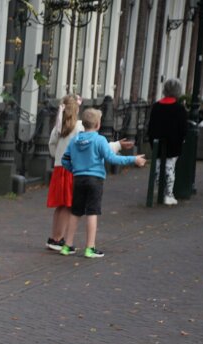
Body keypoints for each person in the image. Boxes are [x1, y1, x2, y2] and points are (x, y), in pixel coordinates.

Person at [46, 95, 132, 252]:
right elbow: (97, 145)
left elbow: (52, 145)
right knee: (68, 205)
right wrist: (118, 145)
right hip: (73, 169)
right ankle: (58, 239)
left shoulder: (59, 125)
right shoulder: (79, 127)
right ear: (77, 109)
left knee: (60, 205)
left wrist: (57, 155)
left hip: (59, 168)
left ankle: (54, 237)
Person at [60, 108, 146, 258]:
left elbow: (65, 160)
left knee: (75, 212)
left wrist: (74, 170)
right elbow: (112, 158)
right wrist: (133, 159)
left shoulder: (74, 140)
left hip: (78, 179)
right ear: (98, 124)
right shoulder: (99, 140)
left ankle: (67, 246)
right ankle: (90, 248)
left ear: (83, 124)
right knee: (92, 212)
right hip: (95, 180)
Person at [147, 78, 190, 206]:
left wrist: (152, 141)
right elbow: (183, 128)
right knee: (170, 168)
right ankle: (168, 194)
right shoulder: (180, 109)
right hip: (174, 144)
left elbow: (151, 127)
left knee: (158, 167)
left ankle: (160, 191)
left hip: (157, 144)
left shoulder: (156, 106)